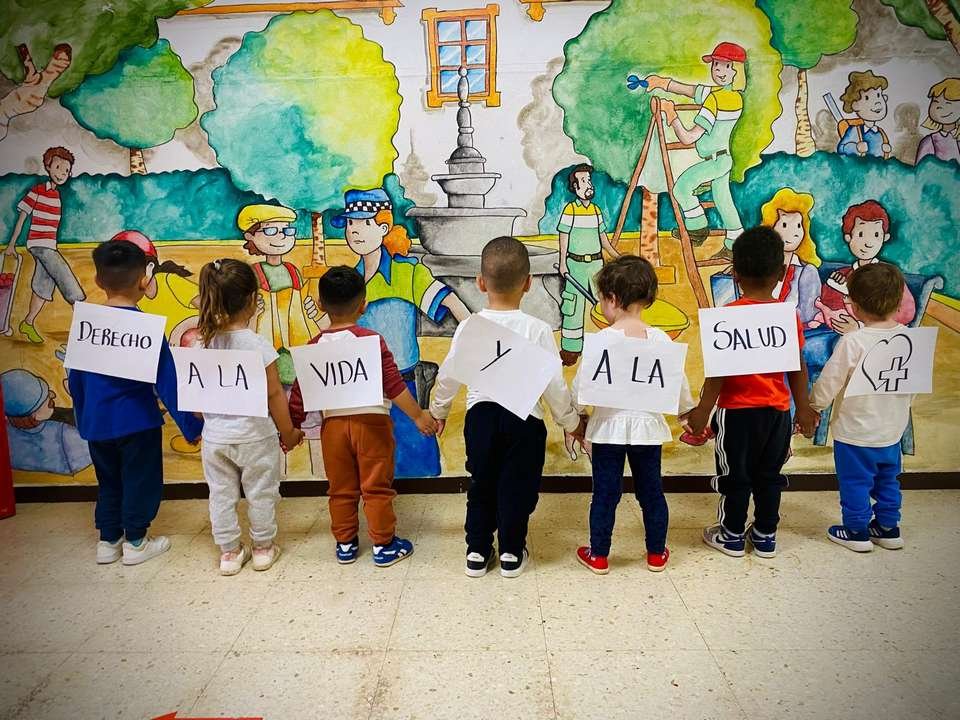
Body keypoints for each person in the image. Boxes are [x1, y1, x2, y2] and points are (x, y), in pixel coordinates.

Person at [430, 236, 583, 578]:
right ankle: (512, 552)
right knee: (518, 485)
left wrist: (438, 412)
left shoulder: (469, 326)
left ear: (480, 282)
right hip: (525, 421)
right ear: (528, 284)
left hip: (480, 417)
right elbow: (553, 385)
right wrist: (570, 421)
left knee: (481, 483)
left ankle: (477, 551)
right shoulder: (539, 329)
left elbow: (449, 374)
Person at [683, 227, 819, 559]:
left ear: (737, 274)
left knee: (735, 475)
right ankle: (765, 535)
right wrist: (803, 408)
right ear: (780, 274)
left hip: (737, 414)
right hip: (777, 415)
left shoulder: (728, 317)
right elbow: (797, 367)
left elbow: (718, 375)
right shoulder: (788, 317)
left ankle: (731, 535)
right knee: (769, 475)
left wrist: (702, 412)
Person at [289, 266, 437, 567]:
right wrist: (419, 416)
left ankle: (345, 543)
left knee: (340, 487)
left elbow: (299, 394)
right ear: (363, 305)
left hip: (333, 427)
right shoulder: (372, 340)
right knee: (376, 486)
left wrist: (291, 427)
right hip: (372, 424)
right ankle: (383, 545)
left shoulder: (313, 345)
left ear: (320, 305)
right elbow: (394, 386)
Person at [68, 240, 203, 565]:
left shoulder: (86, 326)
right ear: (145, 279)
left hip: (98, 425)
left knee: (109, 480)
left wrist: (85, 419)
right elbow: (169, 384)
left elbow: (76, 380)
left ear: (99, 281)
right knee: (140, 479)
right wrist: (192, 426)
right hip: (138, 423)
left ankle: (108, 540)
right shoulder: (146, 329)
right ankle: (137, 542)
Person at [571, 256, 695, 575]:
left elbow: (581, 388)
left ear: (611, 299)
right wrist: (685, 415)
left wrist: (578, 420)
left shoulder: (601, 341)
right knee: (651, 492)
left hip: (606, 430)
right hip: (648, 432)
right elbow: (678, 385)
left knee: (605, 494)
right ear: (648, 297)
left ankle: (598, 555)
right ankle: (656, 553)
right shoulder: (661, 340)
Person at [334, 187, 469, 478]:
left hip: (403, 391)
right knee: (368, 473)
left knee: (417, 469)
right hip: (360, 391)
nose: (354, 231)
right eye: (350, 223)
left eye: (363, 222)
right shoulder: (348, 280)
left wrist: (470, 342)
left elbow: (455, 306)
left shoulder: (407, 273)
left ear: (383, 226)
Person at [196, 258, 304, 575]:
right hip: (257, 436)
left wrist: (212, 424)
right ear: (253, 300)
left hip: (215, 438)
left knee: (221, 495)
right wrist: (288, 433)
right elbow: (274, 395)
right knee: (261, 494)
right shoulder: (258, 346)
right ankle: (262, 548)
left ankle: (229, 553)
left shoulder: (203, 344)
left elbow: (197, 398)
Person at [810, 263, 913, 552]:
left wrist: (814, 405)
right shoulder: (909, 339)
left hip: (854, 432)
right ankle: (888, 528)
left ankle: (856, 532)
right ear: (897, 303)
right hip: (891, 430)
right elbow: (912, 387)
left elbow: (831, 380)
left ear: (853, 305)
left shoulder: (853, 341)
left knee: (855, 482)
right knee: (888, 480)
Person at [646, 42, 747, 260]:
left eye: (725, 67)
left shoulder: (714, 100)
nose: (719, 72)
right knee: (724, 202)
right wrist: (663, 83)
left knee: (681, 188)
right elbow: (691, 91)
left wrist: (671, 115)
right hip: (724, 158)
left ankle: (698, 227)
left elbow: (688, 137)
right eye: (716, 66)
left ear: (735, 71)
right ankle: (734, 245)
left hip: (714, 161)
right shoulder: (733, 97)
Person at [3, 146, 85, 343]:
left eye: (66, 171)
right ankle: (85, 326)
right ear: (48, 167)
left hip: (49, 245)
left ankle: (28, 323)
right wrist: (11, 244)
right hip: (40, 245)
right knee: (66, 278)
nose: (62, 174)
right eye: (58, 167)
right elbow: (22, 218)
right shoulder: (38, 191)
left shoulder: (56, 196)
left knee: (43, 285)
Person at [238, 203, 321, 386]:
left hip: (295, 338)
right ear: (250, 235)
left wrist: (310, 310)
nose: (281, 236)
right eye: (270, 231)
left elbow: (301, 307)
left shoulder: (293, 270)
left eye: (286, 230)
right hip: (266, 337)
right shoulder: (254, 272)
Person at [810, 200, 915, 333]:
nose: (868, 243)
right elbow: (826, 303)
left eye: (876, 235)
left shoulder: (889, 276)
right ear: (849, 237)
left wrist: (861, 326)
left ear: (885, 237)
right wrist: (834, 287)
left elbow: (906, 313)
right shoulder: (843, 274)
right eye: (860, 234)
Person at [556, 164, 621, 366]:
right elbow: (563, 236)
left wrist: (618, 257)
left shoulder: (596, 211)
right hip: (574, 266)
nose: (588, 185)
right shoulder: (570, 210)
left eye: (589, 181)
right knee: (573, 309)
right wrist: (562, 263)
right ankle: (571, 350)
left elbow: (604, 240)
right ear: (575, 187)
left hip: (596, 266)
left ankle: (606, 348)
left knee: (603, 307)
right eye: (584, 181)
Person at [111, 230, 200, 346]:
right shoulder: (131, 299)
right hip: (169, 355)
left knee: (190, 338)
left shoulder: (170, 282)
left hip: (197, 348)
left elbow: (216, 313)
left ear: (150, 266)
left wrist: (180, 329)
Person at [1, 368, 91, 476]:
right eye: (45, 396)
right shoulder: (65, 437)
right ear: (34, 414)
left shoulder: (6, 438)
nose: (52, 395)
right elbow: (98, 447)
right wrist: (79, 397)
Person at [760, 188, 822, 325]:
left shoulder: (807, 271)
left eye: (798, 225)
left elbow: (807, 313)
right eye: (784, 225)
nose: (793, 233)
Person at [836, 70, 891, 159]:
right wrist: (855, 148)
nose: (877, 103)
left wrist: (886, 150)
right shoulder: (855, 130)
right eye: (867, 98)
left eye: (878, 95)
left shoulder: (880, 133)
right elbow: (841, 148)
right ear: (855, 105)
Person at [916, 77, 960, 165]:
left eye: (948, 103)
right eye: (935, 101)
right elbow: (921, 169)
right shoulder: (930, 141)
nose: (939, 107)